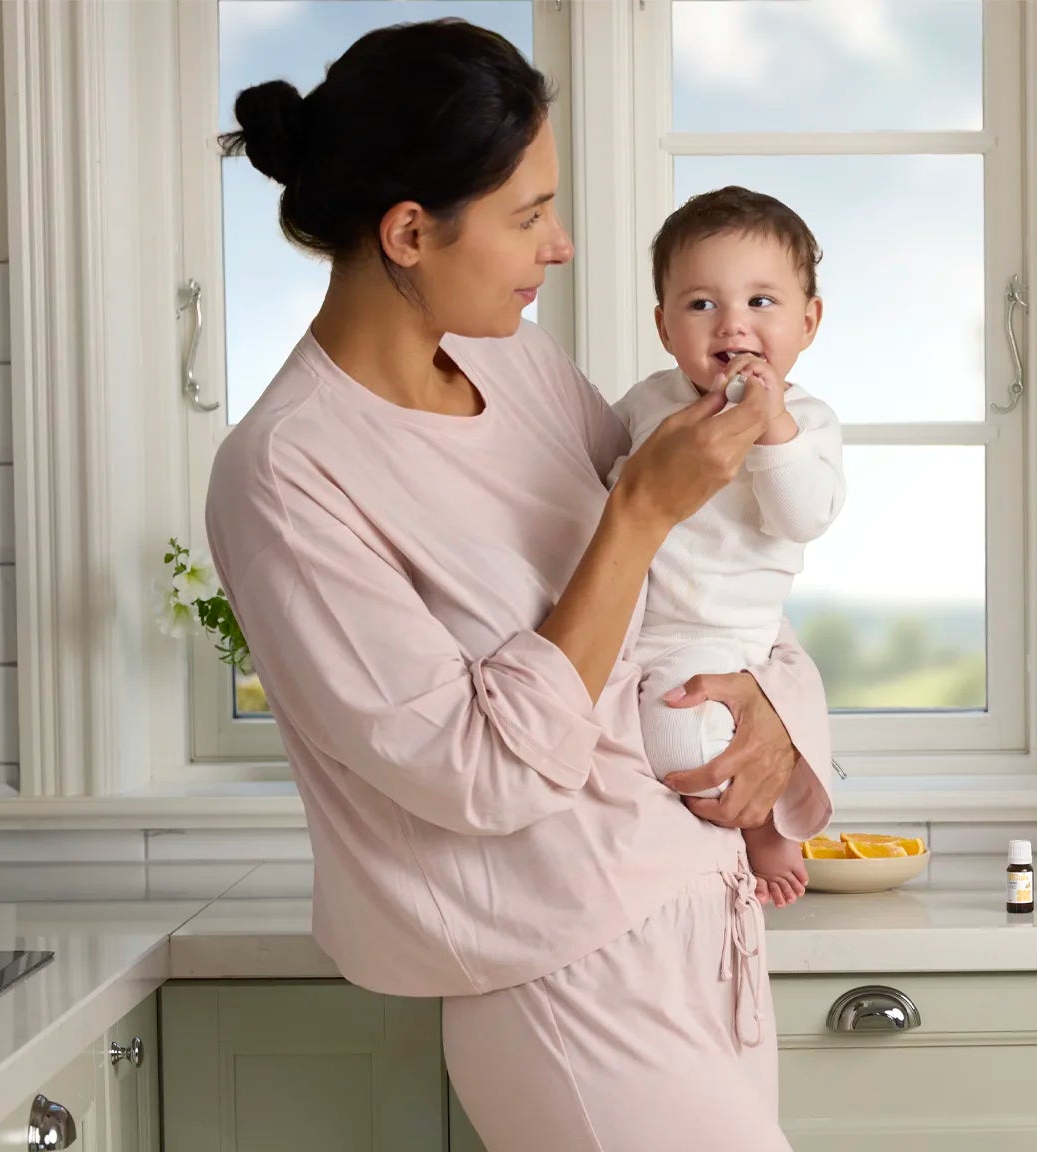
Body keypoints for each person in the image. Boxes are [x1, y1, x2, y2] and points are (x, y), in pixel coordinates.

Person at [205, 20, 824, 1149]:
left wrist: (780, 715)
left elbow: (707, 579)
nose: (562, 246)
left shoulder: (510, 358)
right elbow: (477, 774)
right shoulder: (288, 473)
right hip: (561, 969)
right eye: (530, 214)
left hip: (698, 908)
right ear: (408, 232)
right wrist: (637, 508)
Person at [617, 185, 846, 909]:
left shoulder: (807, 420)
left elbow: (805, 515)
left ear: (808, 322)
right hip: (632, 626)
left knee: (690, 745)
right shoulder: (647, 404)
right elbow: (597, 489)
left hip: (722, 639)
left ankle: (764, 826)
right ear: (663, 325)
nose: (732, 325)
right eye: (701, 304)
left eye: (760, 302)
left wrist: (769, 428)